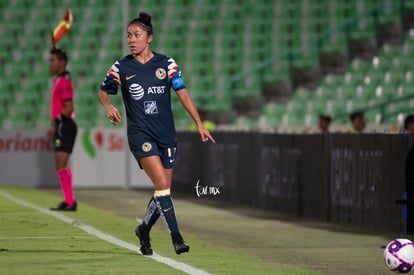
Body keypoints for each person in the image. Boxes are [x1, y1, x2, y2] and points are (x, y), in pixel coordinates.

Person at [98, 12, 215, 256]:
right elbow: (103, 91)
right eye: (129, 35)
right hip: (141, 135)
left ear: (149, 37)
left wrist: (199, 123)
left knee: (163, 192)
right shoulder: (121, 67)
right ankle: (177, 238)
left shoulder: (167, 64)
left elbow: (183, 93)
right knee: (161, 185)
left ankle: (143, 230)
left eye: (137, 35)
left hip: (166, 135)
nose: (131, 39)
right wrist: (108, 106)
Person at [47, 48, 78, 211]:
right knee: (60, 164)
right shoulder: (60, 80)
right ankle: (69, 201)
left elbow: (68, 107)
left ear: (62, 62)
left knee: (61, 163)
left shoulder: (64, 81)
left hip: (65, 125)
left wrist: (54, 124)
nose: (50, 64)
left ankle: (70, 201)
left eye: (52, 60)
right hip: (63, 126)